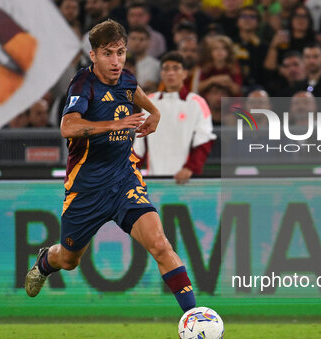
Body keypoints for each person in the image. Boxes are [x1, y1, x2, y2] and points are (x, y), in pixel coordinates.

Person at [24, 21, 197, 315]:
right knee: (68, 260)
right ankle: (45, 261)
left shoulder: (127, 80)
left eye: (120, 52)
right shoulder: (83, 84)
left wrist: (154, 113)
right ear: (93, 55)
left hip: (124, 182)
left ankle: (195, 316)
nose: (115, 61)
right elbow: (68, 126)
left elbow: (136, 94)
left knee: (160, 245)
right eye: (107, 54)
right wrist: (113, 125)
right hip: (86, 190)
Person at [133, 52, 216, 182]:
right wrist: (129, 170)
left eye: (176, 68)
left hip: (186, 179)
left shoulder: (197, 102)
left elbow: (204, 140)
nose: (170, 73)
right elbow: (140, 144)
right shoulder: (149, 102)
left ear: (185, 73)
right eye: (166, 69)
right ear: (161, 74)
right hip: (155, 178)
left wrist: (190, 168)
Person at [128, 26, 161, 93]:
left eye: (141, 39)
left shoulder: (156, 65)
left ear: (149, 42)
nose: (137, 42)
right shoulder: (119, 63)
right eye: (133, 38)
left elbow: (152, 88)